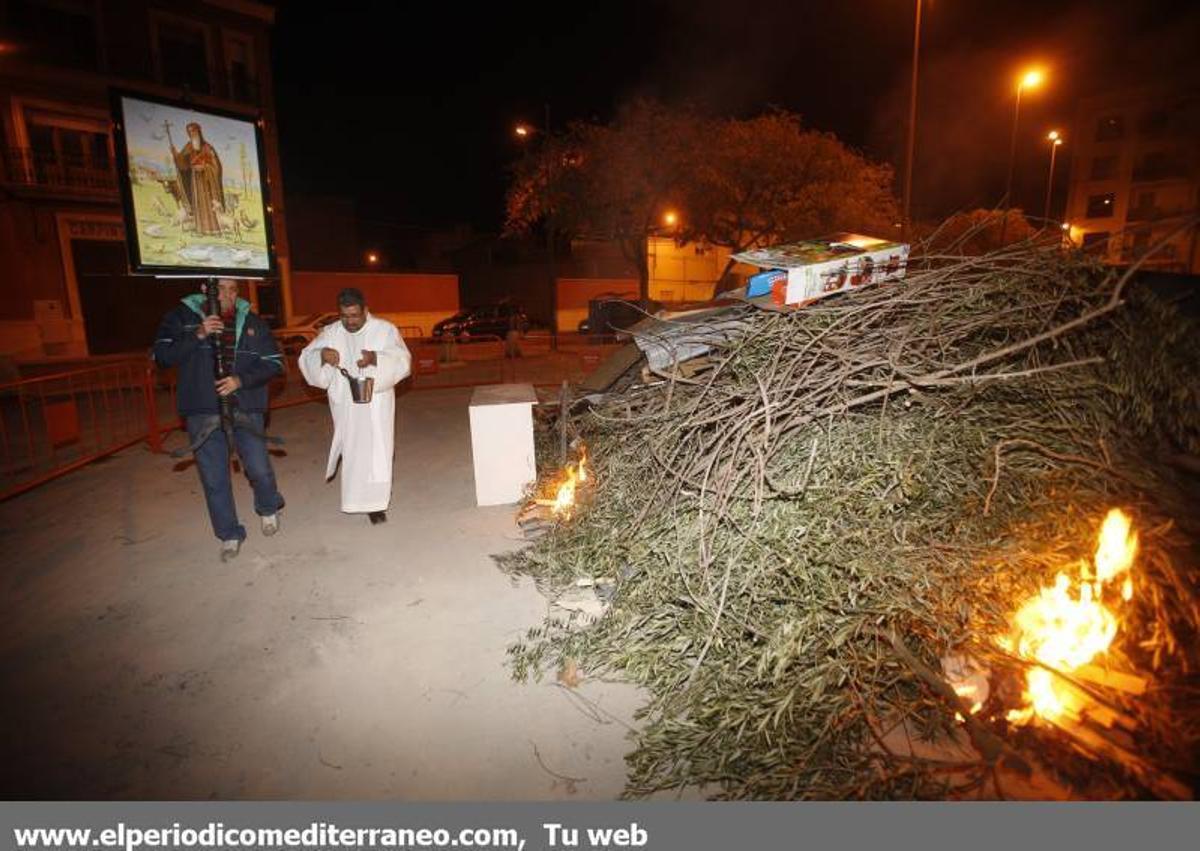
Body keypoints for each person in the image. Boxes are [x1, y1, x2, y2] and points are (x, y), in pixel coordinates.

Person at [153, 278, 286, 562]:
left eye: (233, 289)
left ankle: (268, 507)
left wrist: (241, 380)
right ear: (206, 289)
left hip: (246, 405)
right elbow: (162, 356)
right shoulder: (180, 318)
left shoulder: (253, 321)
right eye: (221, 288)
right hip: (202, 409)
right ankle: (229, 534)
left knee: (259, 468)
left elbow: (274, 363)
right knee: (214, 478)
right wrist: (198, 334)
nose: (228, 295)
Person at [299, 288, 411, 524]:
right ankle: (354, 499)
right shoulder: (331, 332)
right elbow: (306, 357)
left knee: (377, 451)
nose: (349, 321)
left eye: (354, 316)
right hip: (346, 405)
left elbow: (403, 360)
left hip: (376, 404)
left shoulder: (384, 330)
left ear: (365, 311)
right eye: (344, 316)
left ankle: (376, 504)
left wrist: (375, 358)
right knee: (352, 451)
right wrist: (321, 355)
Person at [171, 122, 225, 235]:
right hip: (195, 181)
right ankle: (201, 228)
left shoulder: (207, 147)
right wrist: (176, 155)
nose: (192, 134)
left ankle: (214, 228)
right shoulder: (189, 147)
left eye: (194, 131)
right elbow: (182, 164)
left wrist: (205, 167)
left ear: (199, 132)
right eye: (190, 132)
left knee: (209, 203)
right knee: (198, 203)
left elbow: (216, 167)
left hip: (207, 182)